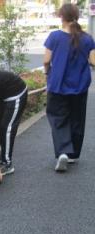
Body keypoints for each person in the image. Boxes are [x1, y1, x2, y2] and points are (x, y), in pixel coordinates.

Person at [43, 4, 95, 172]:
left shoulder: (54, 36)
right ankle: (73, 155)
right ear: (77, 17)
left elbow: (46, 60)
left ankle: (63, 151)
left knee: (58, 119)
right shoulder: (87, 38)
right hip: (79, 86)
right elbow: (93, 61)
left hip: (57, 86)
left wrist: (47, 72)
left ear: (61, 17)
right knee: (77, 119)